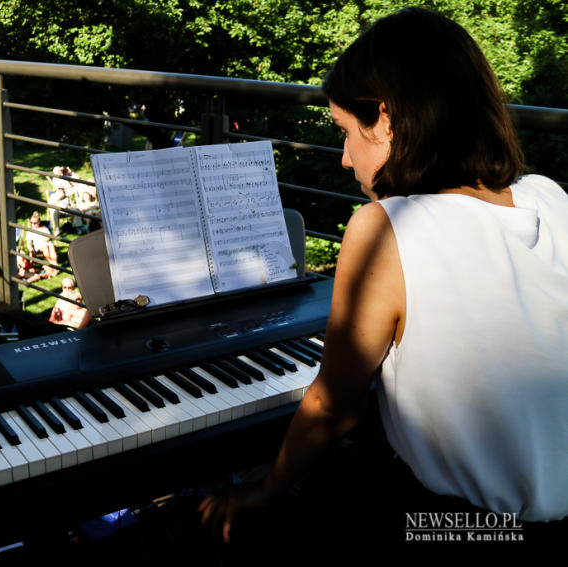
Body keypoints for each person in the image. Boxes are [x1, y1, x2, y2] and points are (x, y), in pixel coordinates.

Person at [198, 7, 568, 548]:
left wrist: (263, 489)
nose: (346, 159)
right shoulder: (550, 196)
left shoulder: (384, 227)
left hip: (467, 530)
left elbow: (332, 408)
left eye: (347, 131)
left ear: (388, 120)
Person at [24, 211, 59, 276]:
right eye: (32, 223)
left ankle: (54, 265)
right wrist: (30, 248)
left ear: (39, 222)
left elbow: (49, 237)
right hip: (39, 246)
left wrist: (45, 241)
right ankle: (55, 266)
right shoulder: (30, 231)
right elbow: (28, 243)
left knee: (51, 247)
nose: (33, 224)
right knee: (47, 246)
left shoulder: (44, 228)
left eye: (35, 223)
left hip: (47, 243)